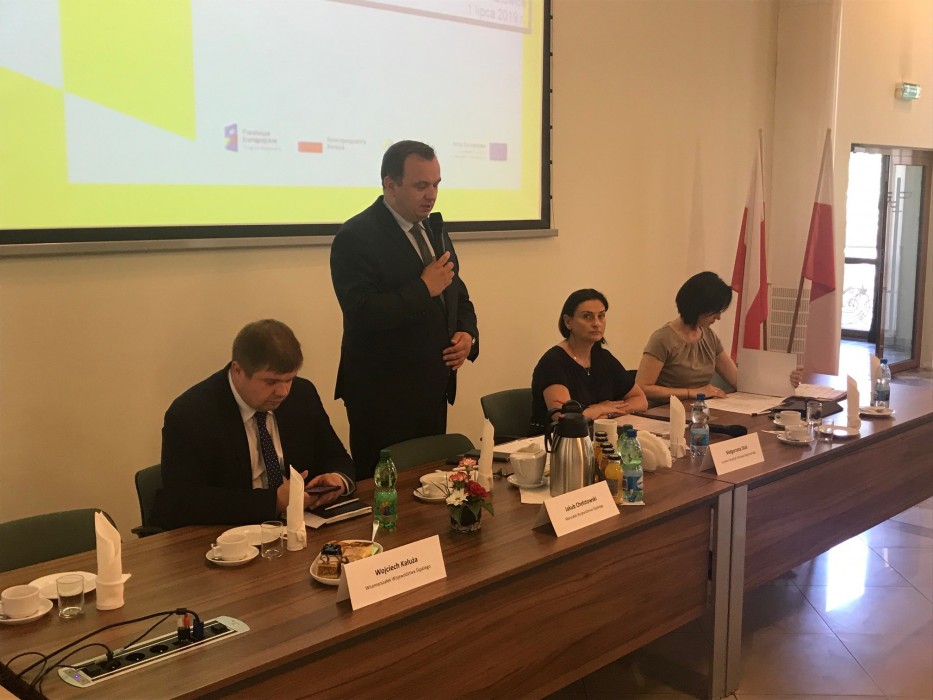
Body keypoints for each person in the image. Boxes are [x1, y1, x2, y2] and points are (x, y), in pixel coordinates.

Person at [330, 140, 479, 479]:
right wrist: (423, 289)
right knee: (384, 495)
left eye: (436, 184)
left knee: (431, 489)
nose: (431, 195)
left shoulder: (434, 230)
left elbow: (457, 295)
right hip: (382, 398)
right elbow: (362, 311)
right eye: (421, 185)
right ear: (390, 184)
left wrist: (467, 334)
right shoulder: (356, 236)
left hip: (432, 390)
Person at [153, 319, 355, 529]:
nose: (283, 392)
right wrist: (273, 501)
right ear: (237, 371)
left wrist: (337, 479)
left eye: (289, 379)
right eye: (270, 382)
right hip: (229, 533)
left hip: (301, 527)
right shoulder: (191, 414)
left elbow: (336, 456)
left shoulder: (302, 394)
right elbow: (183, 502)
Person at [531, 289, 647, 429]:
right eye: (587, 316)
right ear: (568, 322)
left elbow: (641, 400)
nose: (596, 323)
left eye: (601, 316)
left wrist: (606, 414)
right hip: (554, 439)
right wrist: (600, 409)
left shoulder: (604, 357)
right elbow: (565, 418)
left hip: (596, 434)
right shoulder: (552, 362)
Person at [636, 271, 738, 404]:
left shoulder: (709, 336)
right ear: (700, 307)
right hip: (668, 410)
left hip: (701, 408)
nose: (718, 317)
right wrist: (691, 393)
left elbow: (736, 379)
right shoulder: (662, 339)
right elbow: (643, 388)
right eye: (715, 312)